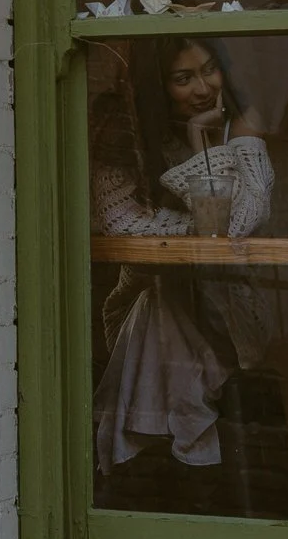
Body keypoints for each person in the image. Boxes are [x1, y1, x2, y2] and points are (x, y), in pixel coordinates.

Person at [92, 39, 275, 473]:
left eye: (210, 70)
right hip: (148, 296)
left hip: (233, 310)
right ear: (157, 86)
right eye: (183, 78)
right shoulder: (127, 132)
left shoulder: (241, 130)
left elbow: (240, 222)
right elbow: (122, 223)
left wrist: (206, 145)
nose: (203, 88)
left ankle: (163, 464)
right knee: (160, 303)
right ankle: (185, 466)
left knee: (165, 312)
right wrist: (200, 227)